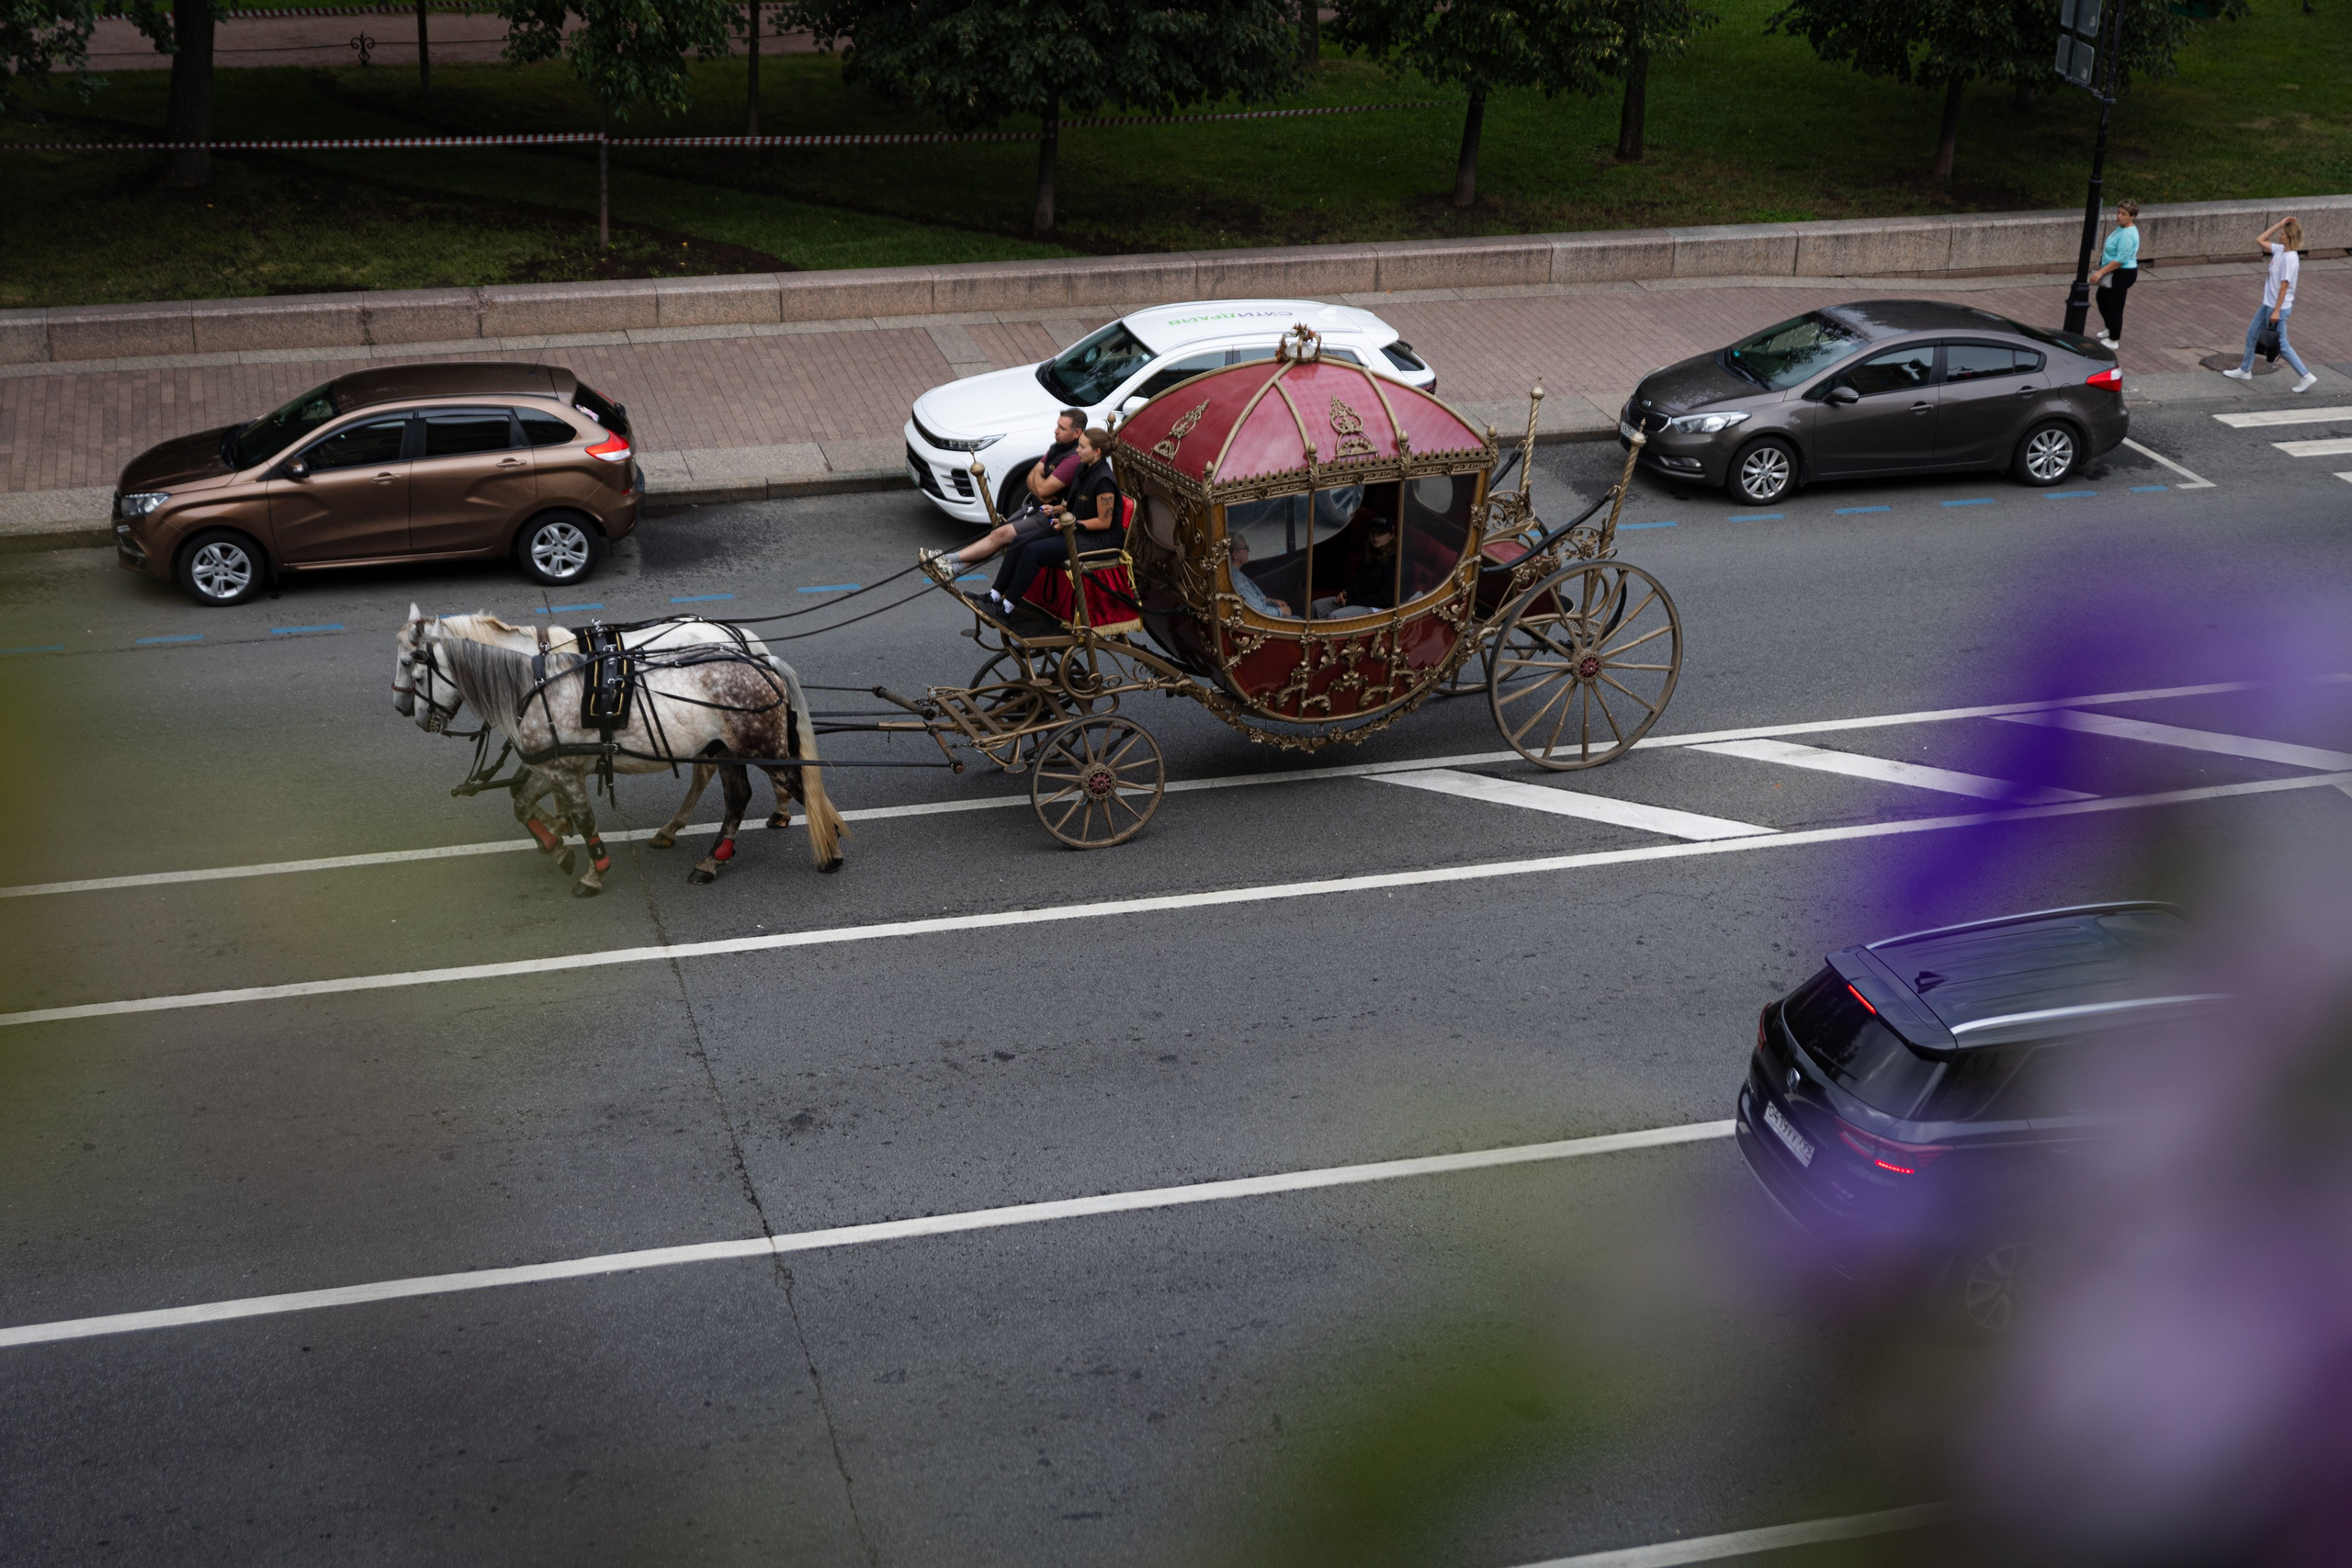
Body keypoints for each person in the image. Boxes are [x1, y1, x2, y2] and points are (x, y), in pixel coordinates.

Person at [920, 409, 1087, 581]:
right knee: (997, 536)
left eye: (1062, 428)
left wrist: (1038, 480)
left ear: (1077, 433)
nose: (1056, 430)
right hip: (1034, 507)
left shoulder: (1073, 458)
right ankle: (953, 569)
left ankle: (946, 560)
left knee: (1000, 535)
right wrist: (1039, 481)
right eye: (1057, 425)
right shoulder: (1057, 447)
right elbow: (1031, 478)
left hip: (1048, 517)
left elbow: (1042, 488)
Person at [985, 427, 1124, 621]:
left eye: (1082, 447)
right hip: (1073, 528)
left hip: (1098, 540)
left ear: (1096, 452)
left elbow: (1103, 522)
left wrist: (1072, 524)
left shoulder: (1104, 481)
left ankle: (1007, 608)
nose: (1077, 450)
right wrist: (1058, 509)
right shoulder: (1083, 468)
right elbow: (1076, 505)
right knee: (1019, 541)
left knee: (1033, 551)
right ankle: (994, 596)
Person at [2223, 218, 2317, 393]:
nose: (2279, 235)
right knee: (2252, 335)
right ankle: (2245, 370)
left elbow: (2284, 286)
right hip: (2268, 304)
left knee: (2282, 345)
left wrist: (2276, 311)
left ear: (2288, 237)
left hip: (2277, 308)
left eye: (2282, 233)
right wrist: (2280, 224)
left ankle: (2305, 376)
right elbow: (2260, 240)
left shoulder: (2290, 258)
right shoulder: (2280, 250)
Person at [1311, 514, 1397, 620]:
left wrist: (1351, 601)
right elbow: (1359, 582)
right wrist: (1345, 592)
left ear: (1391, 536)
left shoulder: (1395, 562)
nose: (1375, 536)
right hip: (1357, 599)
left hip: (1377, 608)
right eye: (1373, 532)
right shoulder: (1370, 555)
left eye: (1381, 533)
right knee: (1316, 606)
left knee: (1335, 616)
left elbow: (1383, 599)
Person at [2090, 199, 2139, 351]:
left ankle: (2114, 338)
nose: (2119, 216)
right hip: (2115, 271)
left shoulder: (2127, 234)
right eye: (2118, 212)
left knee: (2114, 305)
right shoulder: (2121, 228)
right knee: (2102, 299)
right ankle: (2110, 328)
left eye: (2124, 214)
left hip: (2122, 274)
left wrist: (2101, 272)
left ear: (2132, 216)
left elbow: (2121, 259)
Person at [1225, 534, 1293, 618]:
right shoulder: (1238, 582)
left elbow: (1253, 600)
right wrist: (1282, 611)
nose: (1248, 550)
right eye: (1245, 548)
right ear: (1235, 555)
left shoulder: (1234, 573)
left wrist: (1272, 601)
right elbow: (1260, 612)